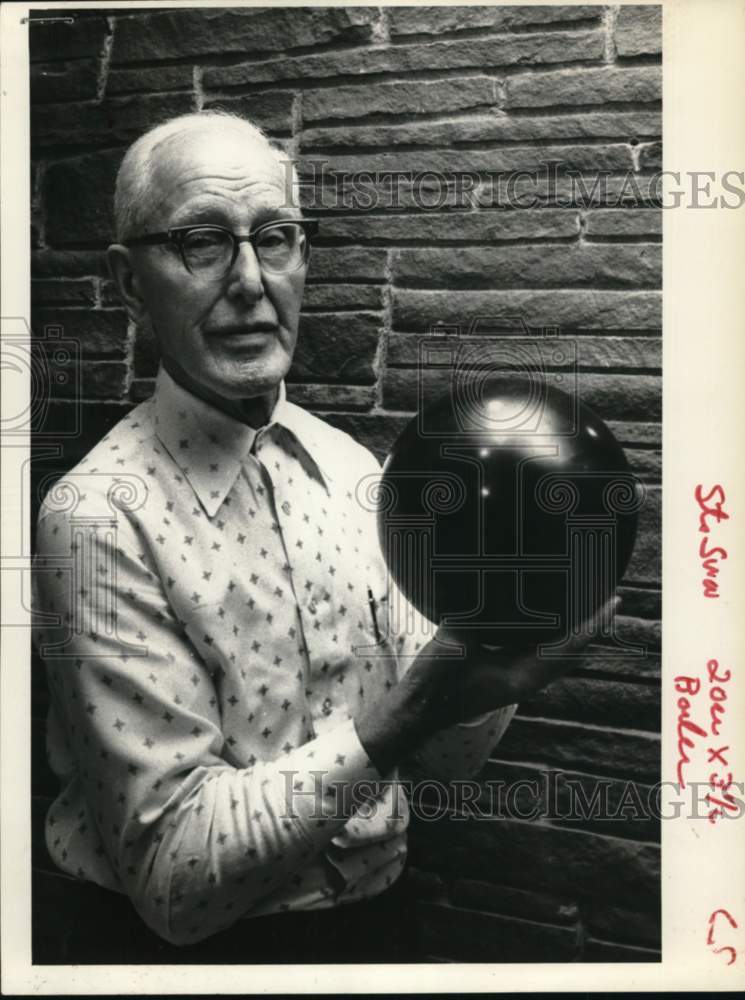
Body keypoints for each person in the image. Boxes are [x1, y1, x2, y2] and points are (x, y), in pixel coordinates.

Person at [33, 111, 616, 963]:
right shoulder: (95, 519)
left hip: (380, 929)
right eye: (201, 241)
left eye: (274, 238)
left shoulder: (355, 472)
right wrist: (396, 721)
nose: (248, 280)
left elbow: (443, 759)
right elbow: (171, 885)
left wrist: (498, 654)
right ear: (128, 282)